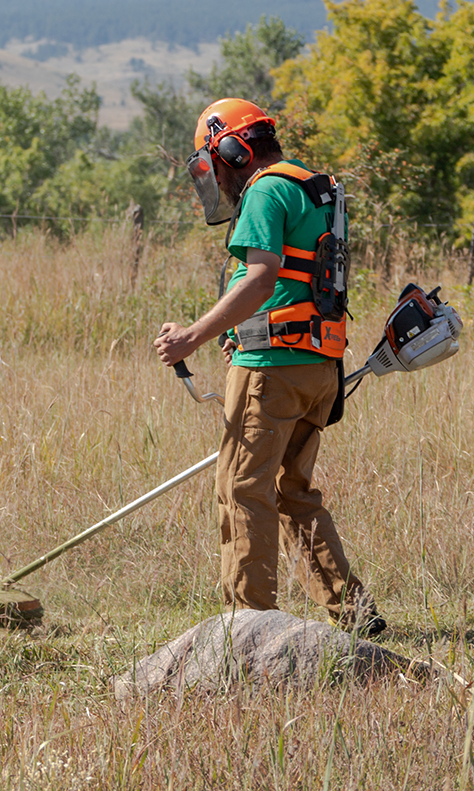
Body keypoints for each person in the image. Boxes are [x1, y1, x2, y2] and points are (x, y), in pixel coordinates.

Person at [152, 98, 385, 636]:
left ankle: (249, 626)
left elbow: (260, 279)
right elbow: (297, 283)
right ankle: (352, 614)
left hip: (272, 371)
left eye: (215, 165)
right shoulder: (315, 187)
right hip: (318, 368)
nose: (219, 181)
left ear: (232, 149)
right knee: (291, 494)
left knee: (241, 487)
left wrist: (193, 336)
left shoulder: (264, 189)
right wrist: (237, 333)